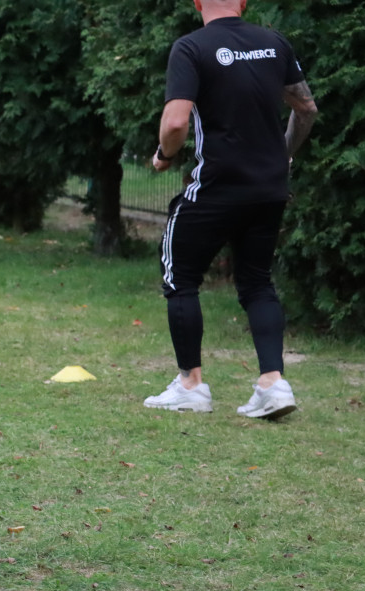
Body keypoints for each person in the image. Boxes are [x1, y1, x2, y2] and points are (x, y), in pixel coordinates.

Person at [144, 0, 317, 418]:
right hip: (269, 188)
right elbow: (306, 108)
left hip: (218, 185)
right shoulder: (274, 42)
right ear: (243, 2)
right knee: (257, 281)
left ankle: (191, 385)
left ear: (196, 2)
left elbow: (175, 124)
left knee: (180, 275)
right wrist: (282, 154)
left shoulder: (191, 47)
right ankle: (273, 384)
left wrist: (165, 156)